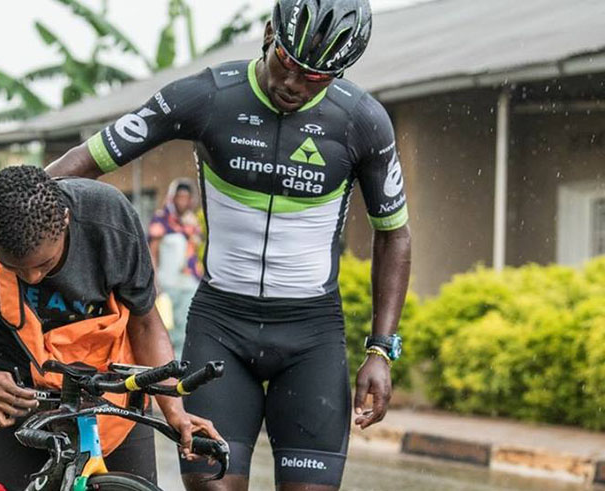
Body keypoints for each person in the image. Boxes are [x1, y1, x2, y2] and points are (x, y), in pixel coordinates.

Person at [44, 0, 412, 488]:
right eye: (287, 62)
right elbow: (89, 159)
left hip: (312, 338)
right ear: (268, 34)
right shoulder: (210, 96)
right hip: (221, 327)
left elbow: (394, 234)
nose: (293, 85)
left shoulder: (362, 121)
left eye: (315, 78)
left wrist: (381, 350)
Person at [0, 165, 219, 490]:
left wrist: (174, 411)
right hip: (13, 387)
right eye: (13, 268)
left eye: (44, 265)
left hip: (108, 382)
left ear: (64, 221)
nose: (32, 278)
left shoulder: (108, 219)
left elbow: (146, 324)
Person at [148, 178, 203, 352]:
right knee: (167, 330)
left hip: (189, 283)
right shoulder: (161, 220)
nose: (183, 201)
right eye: (180, 197)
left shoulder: (192, 222)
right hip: (167, 284)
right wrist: (154, 281)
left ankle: (181, 368)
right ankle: (166, 368)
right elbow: (152, 252)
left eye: (186, 197)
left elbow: (197, 249)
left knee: (186, 328)